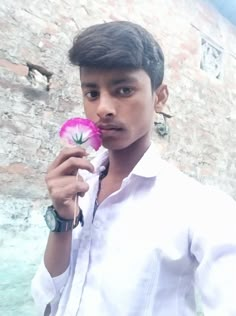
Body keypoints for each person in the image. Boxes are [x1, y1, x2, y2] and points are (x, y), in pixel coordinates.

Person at [31, 21, 236, 316]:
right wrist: (62, 221)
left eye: (124, 89)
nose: (103, 108)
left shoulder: (201, 208)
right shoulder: (78, 186)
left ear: (159, 97)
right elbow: (46, 302)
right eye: (91, 93)